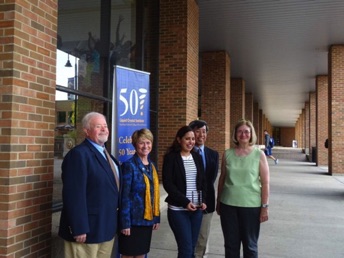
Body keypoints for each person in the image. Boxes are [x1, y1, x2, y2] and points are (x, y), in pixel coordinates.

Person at [58, 112, 121, 258]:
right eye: (98, 126)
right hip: (86, 231)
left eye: (105, 126)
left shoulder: (107, 155)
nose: (104, 129)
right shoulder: (78, 155)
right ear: (86, 131)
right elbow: (73, 194)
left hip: (106, 228)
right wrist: (79, 227)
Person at [216, 119, 270, 258]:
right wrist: (218, 202)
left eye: (247, 131)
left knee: (250, 246)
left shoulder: (259, 154)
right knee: (230, 245)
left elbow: (265, 183)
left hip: (251, 206)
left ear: (251, 134)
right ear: (235, 134)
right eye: (240, 131)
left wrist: (264, 206)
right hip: (228, 205)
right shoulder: (227, 154)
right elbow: (222, 179)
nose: (243, 134)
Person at [162, 125, 207, 258]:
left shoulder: (197, 156)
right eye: (187, 139)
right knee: (186, 250)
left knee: (191, 249)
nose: (191, 142)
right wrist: (185, 202)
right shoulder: (171, 157)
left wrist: (203, 200)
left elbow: (203, 181)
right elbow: (168, 184)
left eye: (193, 139)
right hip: (178, 210)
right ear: (179, 139)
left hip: (196, 210)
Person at [119, 128, 160, 258]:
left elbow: (154, 195)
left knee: (142, 255)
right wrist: (125, 223)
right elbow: (124, 197)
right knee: (128, 255)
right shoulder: (129, 165)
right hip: (132, 222)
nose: (145, 146)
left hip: (147, 222)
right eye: (141, 143)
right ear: (135, 144)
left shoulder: (152, 166)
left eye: (148, 142)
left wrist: (156, 217)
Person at [189, 120, 219, 258]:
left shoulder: (213, 154)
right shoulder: (184, 154)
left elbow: (210, 180)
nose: (201, 134)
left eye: (204, 131)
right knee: (188, 239)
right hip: (187, 203)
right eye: (197, 131)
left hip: (207, 203)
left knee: (202, 239)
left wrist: (203, 199)